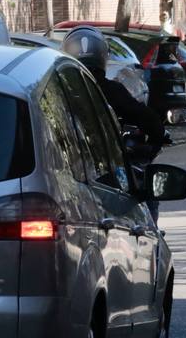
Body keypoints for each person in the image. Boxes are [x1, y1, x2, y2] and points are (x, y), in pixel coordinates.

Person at [61, 27, 167, 218]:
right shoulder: (111, 90)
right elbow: (147, 119)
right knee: (146, 195)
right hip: (105, 172)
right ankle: (150, 235)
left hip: (66, 174)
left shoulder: (60, 93)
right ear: (102, 55)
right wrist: (155, 140)